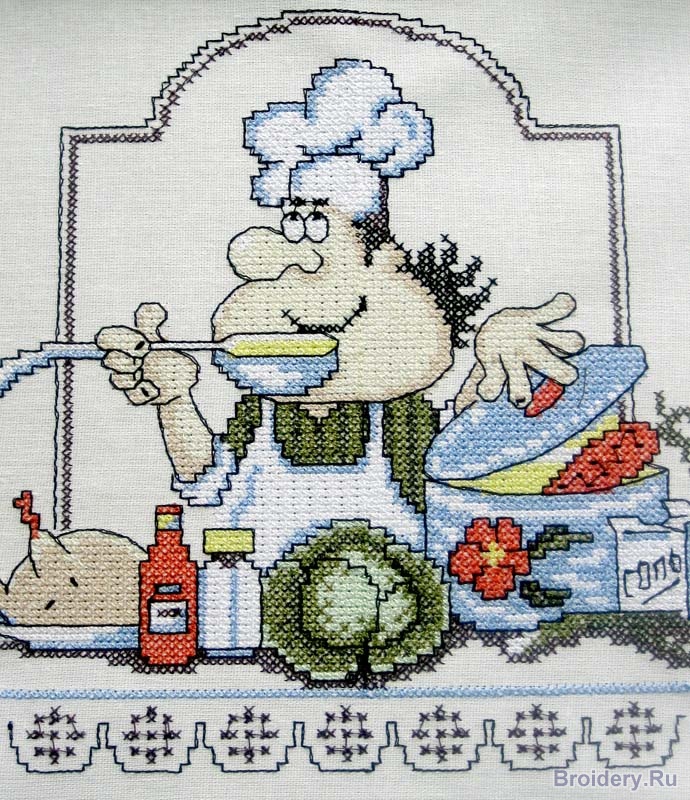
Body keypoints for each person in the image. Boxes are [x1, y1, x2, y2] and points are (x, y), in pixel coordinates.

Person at [96, 60, 583, 567]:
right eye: (293, 230)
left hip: (401, 595)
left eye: (317, 231)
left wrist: (495, 354)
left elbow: (474, 448)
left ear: (388, 267)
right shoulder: (261, 416)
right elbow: (206, 478)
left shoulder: (401, 423)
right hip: (250, 595)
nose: (297, 278)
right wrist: (174, 399)